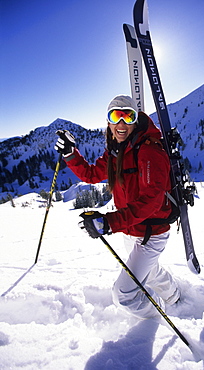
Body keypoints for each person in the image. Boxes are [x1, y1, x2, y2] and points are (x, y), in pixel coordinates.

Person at [55, 95, 180, 319]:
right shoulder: (117, 151)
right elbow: (92, 174)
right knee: (150, 272)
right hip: (131, 230)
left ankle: (159, 314)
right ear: (109, 121)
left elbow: (152, 200)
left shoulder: (150, 151)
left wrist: (110, 222)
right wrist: (70, 154)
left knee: (124, 295)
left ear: (135, 120)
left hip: (152, 233)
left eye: (127, 116)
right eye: (116, 116)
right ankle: (175, 298)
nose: (121, 123)